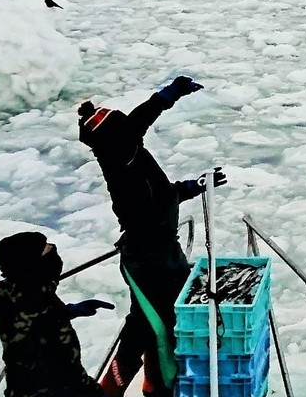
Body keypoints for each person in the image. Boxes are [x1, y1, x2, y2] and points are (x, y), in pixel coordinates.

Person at [78, 77, 226, 397]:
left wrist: (192, 187)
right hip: (146, 261)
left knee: (167, 321)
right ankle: (122, 388)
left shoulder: (133, 157)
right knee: (152, 326)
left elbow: (161, 194)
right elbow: (137, 124)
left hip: (165, 255)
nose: (135, 134)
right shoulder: (119, 165)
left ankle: (154, 380)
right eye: (127, 133)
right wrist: (166, 96)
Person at [0, 231, 113, 397]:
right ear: (31, 265)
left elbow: (36, 323)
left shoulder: (17, 293)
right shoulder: (32, 299)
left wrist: (67, 311)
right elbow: (59, 371)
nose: (53, 253)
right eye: (46, 251)